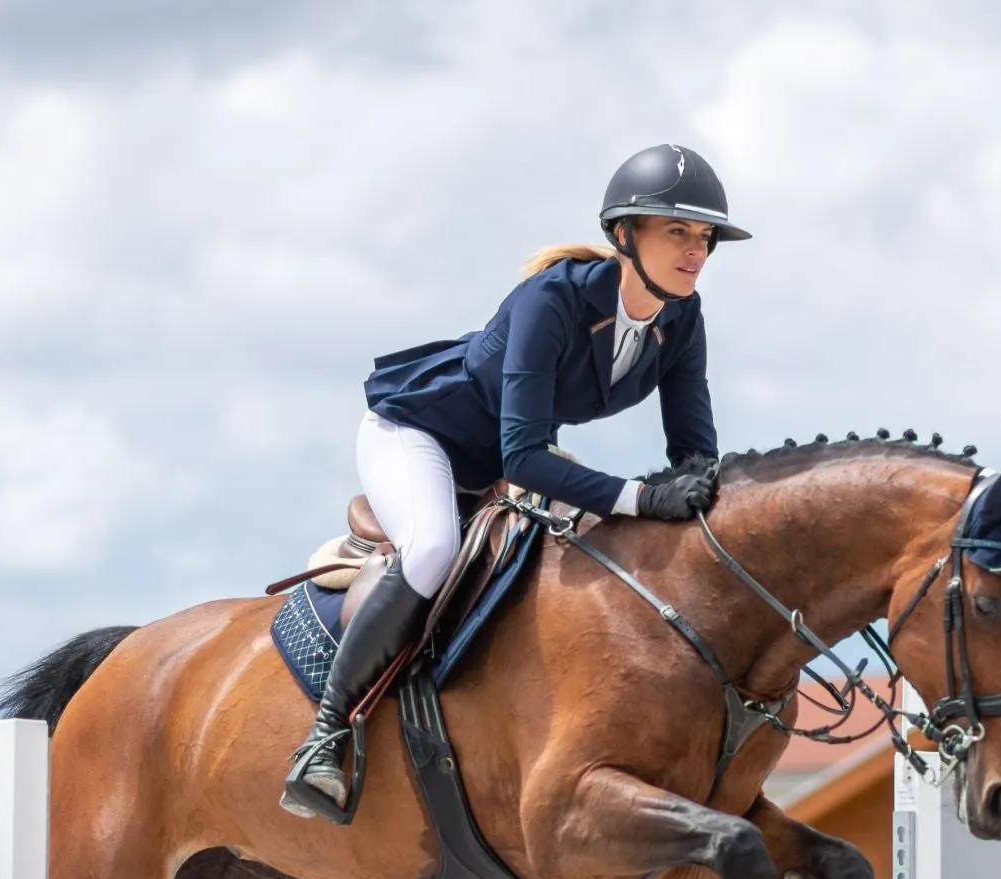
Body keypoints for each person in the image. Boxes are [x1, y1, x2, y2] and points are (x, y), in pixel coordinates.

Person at [282, 143, 750, 822]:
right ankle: (322, 740)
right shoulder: (550, 299)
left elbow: (693, 454)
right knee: (434, 550)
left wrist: (709, 509)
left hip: (500, 462)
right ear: (624, 234)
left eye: (704, 237)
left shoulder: (681, 318)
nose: (695, 251)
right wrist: (642, 500)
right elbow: (527, 456)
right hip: (418, 435)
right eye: (676, 231)